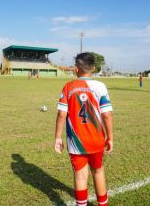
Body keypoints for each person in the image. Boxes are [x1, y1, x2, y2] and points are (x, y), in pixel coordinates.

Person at [54, 52, 113, 206]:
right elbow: (106, 115)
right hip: (96, 139)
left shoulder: (68, 87)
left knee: (80, 176)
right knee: (98, 171)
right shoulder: (101, 86)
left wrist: (58, 137)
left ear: (76, 69)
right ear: (93, 68)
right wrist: (110, 137)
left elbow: (61, 114)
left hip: (75, 141)